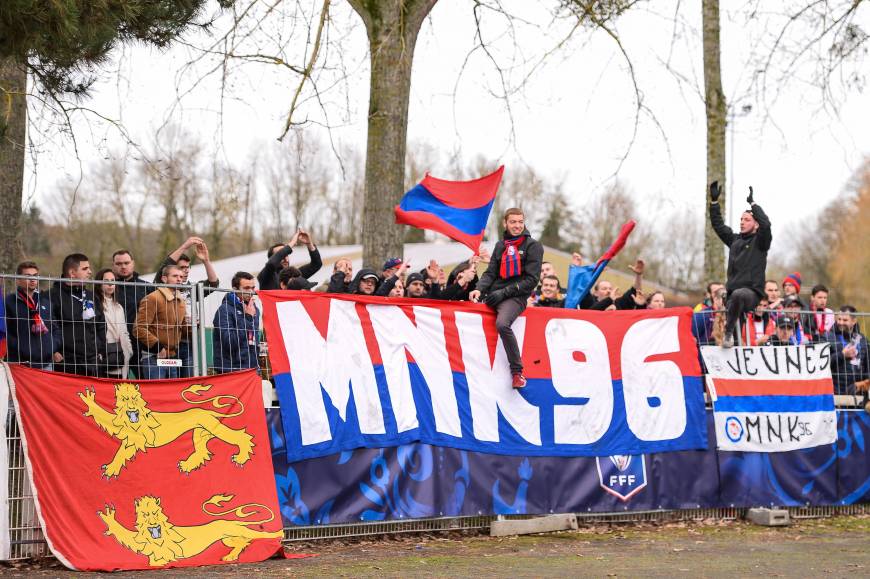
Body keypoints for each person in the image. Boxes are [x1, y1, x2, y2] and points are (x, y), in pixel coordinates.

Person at [470, 208, 543, 389]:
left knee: (502, 324)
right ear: (505, 223)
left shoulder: (533, 246)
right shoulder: (500, 246)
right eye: (513, 222)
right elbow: (490, 273)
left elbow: (531, 280)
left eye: (520, 222)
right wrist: (478, 289)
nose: (517, 225)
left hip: (515, 297)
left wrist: (504, 293)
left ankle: (517, 372)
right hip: (493, 294)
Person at [708, 181, 772, 347]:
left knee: (739, 295)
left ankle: (727, 333)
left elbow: (766, 224)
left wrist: (753, 204)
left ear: (756, 224)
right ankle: (734, 342)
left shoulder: (761, 242)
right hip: (732, 295)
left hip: (752, 293)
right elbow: (718, 225)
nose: (742, 222)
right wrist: (714, 203)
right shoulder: (735, 240)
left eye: (747, 219)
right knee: (736, 337)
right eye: (741, 219)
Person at [160, 236, 220, 378]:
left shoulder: (192, 288)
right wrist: (185, 246)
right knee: (172, 382)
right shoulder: (162, 286)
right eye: (182, 268)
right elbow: (166, 265)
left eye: (188, 268)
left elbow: (213, 284)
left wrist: (206, 260)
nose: (186, 271)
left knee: (188, 380)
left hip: (188, 342)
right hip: (168, 343)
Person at [48, 253, 106, 376]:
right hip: (66, 363)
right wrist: (54, 351)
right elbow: (48, 327)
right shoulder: (52, 296)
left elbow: (101, 325)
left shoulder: (91, 296)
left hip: (93, 362)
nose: (90, 272)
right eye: (85, 269)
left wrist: (101, 351)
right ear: (72, 273)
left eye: (89, 268)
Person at [133, 265, 188, 380]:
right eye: (175, 276)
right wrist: (157, 347)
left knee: (173, 390)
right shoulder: (152, 298)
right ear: (164, 279)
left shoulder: (181, 302)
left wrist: (192, 326)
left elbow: (183, 330)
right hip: (153, 355)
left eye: (181, 277)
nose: (179, 279)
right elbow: (138, 328)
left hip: (172, 356)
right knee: (156, 391)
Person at [4, 261, 55, 369]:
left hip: (45, 363)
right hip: (18, 363)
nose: (32, 279)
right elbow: (4, 332)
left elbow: (55, 328)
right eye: (28, 276)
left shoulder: (46, 302)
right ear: (18, 280)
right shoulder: (8, 302)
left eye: (35, 276)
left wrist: (51, 346)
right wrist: (21, 347)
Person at [111, 249, 152, 377]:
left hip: (142, 346)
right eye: (119, 264)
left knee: (145, 383)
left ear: (133, 263)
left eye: (126, 263)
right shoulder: (107, 288)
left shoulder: (147, 287)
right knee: (117, 385)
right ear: (113, 265)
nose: (123, 266)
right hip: (115, 346)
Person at [213, 272, 260, 374]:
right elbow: (230, 343)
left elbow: (253, 339)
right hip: (231, 369)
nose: (251, 292)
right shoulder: (224, 310)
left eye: (253, 288)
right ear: (235, 289)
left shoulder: (254, 309)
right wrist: (247, 318)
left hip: (251, 367)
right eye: (246, 288)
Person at [94, 268, 133, 379]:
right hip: (103, 355)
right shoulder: (95, 304)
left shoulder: (118, 306)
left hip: (121, 355)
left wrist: (129, 351)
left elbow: (124, 332)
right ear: (99, 284)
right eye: (106, 281)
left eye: (113, 280)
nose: (110, 284)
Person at [826, 306, 869, 396]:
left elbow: (867, 367)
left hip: (858, 394)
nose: (841, 322)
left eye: (845, 320)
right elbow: (823, 363)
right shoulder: (827, 338)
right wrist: (842, 355)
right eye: (839, 319)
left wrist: (863, 385)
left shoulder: (863, 340)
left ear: (854, 321)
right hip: (835, 393)